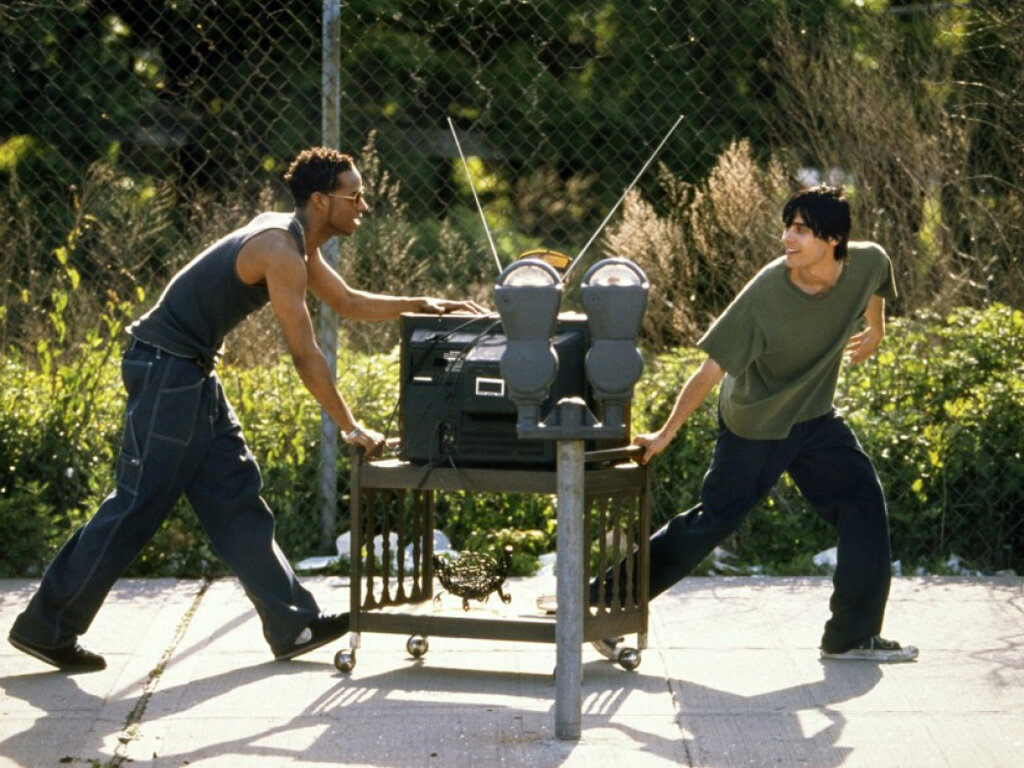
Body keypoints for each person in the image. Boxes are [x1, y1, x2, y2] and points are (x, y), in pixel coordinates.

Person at [8, 146, 485, 672]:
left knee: (235, 496)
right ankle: (45, 627)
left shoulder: (295, 240)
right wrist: (351, 426)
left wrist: (421, 305)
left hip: (189, 372)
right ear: (321, 201)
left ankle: (292, 624)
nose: (364, 206)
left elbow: (346, 301)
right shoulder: (280, 249)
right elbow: (305, 354)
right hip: (167, 371)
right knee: (136, 505)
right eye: (355, 196)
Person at [591, 185, 917, 664]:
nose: (787, 238)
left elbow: (877, 282)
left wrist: (877, 329)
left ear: (833, 239)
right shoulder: (767, 291)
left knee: (863, 503)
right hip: (755, 421)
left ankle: (850, 637)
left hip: (814, 417)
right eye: (787, 227)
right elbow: (711, 369)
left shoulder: (866, 261)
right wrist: (666, 432)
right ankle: (602, 603)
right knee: (714, 520)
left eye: (801, 230)